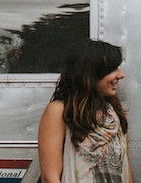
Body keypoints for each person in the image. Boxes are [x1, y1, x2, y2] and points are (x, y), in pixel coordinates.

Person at [39, 40, 131, 183]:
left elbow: (125, 170)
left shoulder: (114, 114)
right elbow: (50, 177)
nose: (120, 75)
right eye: (113, 69)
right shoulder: (59, 111)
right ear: (92, 73)